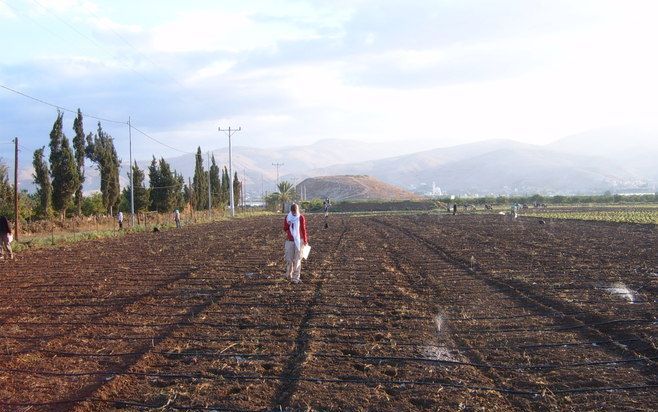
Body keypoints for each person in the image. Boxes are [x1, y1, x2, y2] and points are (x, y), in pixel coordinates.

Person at [283, 203, 308, 284]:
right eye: (293, 211)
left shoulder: (301, 217)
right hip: (289, 241)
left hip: (299, 241)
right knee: (289, 259)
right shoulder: (287, 217)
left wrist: (305, 240)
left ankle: (295, 278)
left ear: (297, 210)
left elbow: (303, 229)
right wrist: (288, 223)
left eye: (295, 211)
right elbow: (285, 228)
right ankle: (288, 275)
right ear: (291, 211)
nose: (294, 213)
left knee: (297, 260)